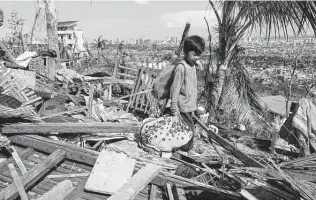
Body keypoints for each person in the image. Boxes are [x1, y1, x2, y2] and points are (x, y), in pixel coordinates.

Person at [169, 35, 206, 152]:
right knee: (188, 130)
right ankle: (185, 151)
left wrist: (199, 65)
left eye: (198, 55)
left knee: (187, 129)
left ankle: (184, 149)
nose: (196, 58)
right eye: (194, 54)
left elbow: (196, 73)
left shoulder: (192, 65)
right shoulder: (181, 67)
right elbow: (175, 89)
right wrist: (174, 107)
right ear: (186, 52)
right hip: (183, 105)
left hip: (191, 105)